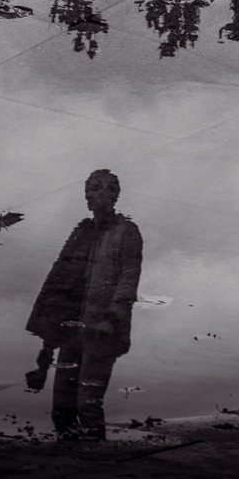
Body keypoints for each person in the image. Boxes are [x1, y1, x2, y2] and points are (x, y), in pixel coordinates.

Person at [23, 169, 143, 440]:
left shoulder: (127, 232)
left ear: (114, 194)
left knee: (87, 405)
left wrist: (111, 319)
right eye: (89, 188)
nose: (91, 194)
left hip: (102, 333)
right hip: (71, 332)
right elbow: (57, 285)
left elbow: (128, 279)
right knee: (62, 409)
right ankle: (67, 461)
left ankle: (94, 467)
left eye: (100, 188)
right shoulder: (82, 232)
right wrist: (46, 348)